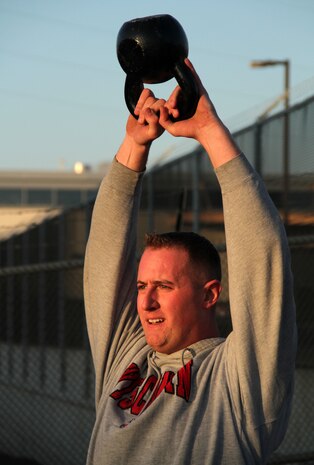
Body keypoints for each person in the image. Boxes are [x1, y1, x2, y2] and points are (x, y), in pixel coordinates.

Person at [83, 59, 297, 465]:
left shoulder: (239, 380)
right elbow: (104, 257)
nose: (145, 304)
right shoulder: (127, 357)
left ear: (209, 294)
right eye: (143, 287)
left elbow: (262, 255)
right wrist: (134, 144)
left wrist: (209, 131)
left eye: (163, 287)